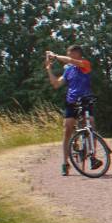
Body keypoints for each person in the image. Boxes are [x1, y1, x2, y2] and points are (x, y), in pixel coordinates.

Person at [43, 45, 93, 176]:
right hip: (71, 101)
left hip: (85, 99)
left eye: (70, 54)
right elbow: (56, 84)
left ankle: (92, 156)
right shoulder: (68, 70)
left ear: (77, 54)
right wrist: (49, 69)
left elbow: (70, 61)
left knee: (90, 123)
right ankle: (65, 163)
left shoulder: (85, 64)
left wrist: (55, 56)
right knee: (67, 129)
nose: (68, 56)